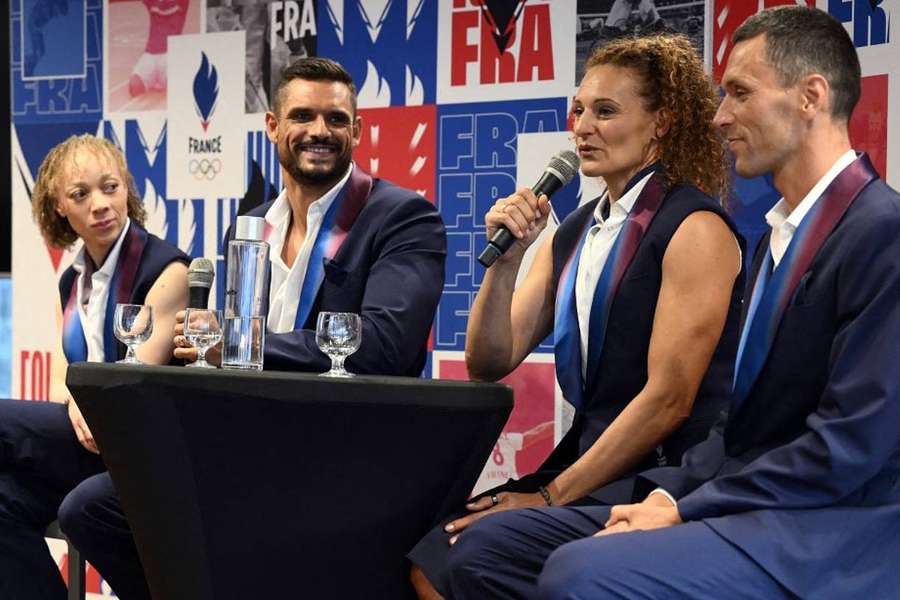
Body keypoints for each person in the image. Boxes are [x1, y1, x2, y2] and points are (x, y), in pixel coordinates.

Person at [445, 6, 900, 599]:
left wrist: (680, 507)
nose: (719, 116)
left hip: (828, 532)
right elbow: (736, 432)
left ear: (811, 95)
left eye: (739, 92)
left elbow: (849, 445)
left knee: (576, 572)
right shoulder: (774, 238)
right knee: (484, 551)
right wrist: (669, 497)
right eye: (579, 109)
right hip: (736, 501)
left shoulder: (879, 230)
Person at [60, 57, 447, 599]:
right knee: (91, 508)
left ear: (357, 131)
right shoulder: (251, 226)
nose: (319, 131)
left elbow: (383, 347)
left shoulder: (403, 216)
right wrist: (198, 350)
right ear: (272, 126)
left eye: (336, 120)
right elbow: (229, 364)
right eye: (303, 116)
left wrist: (238, 344)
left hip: (349, 457)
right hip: (249, 446)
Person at [410, 34, 744, 598]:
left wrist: (549, 496)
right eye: (580, 109)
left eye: (606, 111)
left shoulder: (694, 227)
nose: (582, 127)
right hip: (587, 462)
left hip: (667, 474)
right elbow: (488, 360)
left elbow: (669, 402)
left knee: (479, 549)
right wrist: (507, 261)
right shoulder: (576, 229)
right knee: (432, 556)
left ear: (661, 123)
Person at [0, 134, 189, 600]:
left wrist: (81, 398)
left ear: (127, 187)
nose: (100, 204)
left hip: (141, 444)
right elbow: (72, 375)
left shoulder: (168, 270)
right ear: (59, 206)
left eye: (110, 187)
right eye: (81, 195)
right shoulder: (72, 278)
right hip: (90, 445)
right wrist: (72, 397)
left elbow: (131, 384)